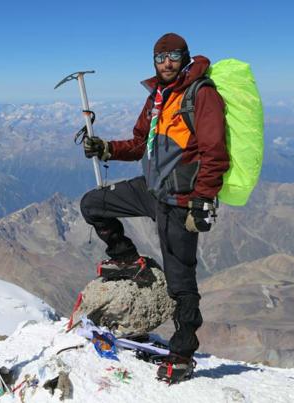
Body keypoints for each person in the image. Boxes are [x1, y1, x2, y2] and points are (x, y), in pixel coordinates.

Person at [79, 33, 228, 384]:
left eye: (173, 56)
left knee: (181, 281)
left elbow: (215, 152)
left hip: (180, 201)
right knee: (93, 204)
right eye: (159, 57)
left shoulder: (201, 95)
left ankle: (182, 353)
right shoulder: (157, 98)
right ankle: (127, 258)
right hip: (150, 190)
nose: (166, 62)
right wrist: (106, 148)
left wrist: (203, 200)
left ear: (185, 57)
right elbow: (137, 143)